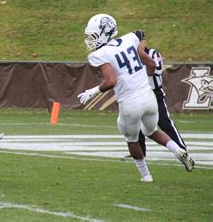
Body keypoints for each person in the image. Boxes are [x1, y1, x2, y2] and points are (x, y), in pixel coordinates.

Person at [77, 14, 194, 182]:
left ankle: (146, 176)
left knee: (131, 139)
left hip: (130, 103)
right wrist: (143, 83)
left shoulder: (99, 54)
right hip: (148, 96)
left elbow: (111, 81)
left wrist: (93, 91)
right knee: (152, 131)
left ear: (104, 33)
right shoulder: (130, 39)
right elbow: (151, 64)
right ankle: (178, 151)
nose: (90, 39)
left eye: (94, 35)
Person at [137, 35, 188, 159]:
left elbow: (155, 69)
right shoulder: (131, 58)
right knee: (135, 124)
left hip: (154, 93)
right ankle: (139, 153)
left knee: (164, 122)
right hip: (138, 94)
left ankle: (182, 150)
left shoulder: (153, 53)